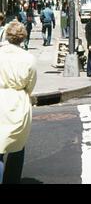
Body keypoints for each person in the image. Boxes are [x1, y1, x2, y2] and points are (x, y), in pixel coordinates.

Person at [0, 21, 37, 184]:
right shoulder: (28, 58)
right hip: (18, 102)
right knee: (18, 145)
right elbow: (30, 84)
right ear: (23, 38)